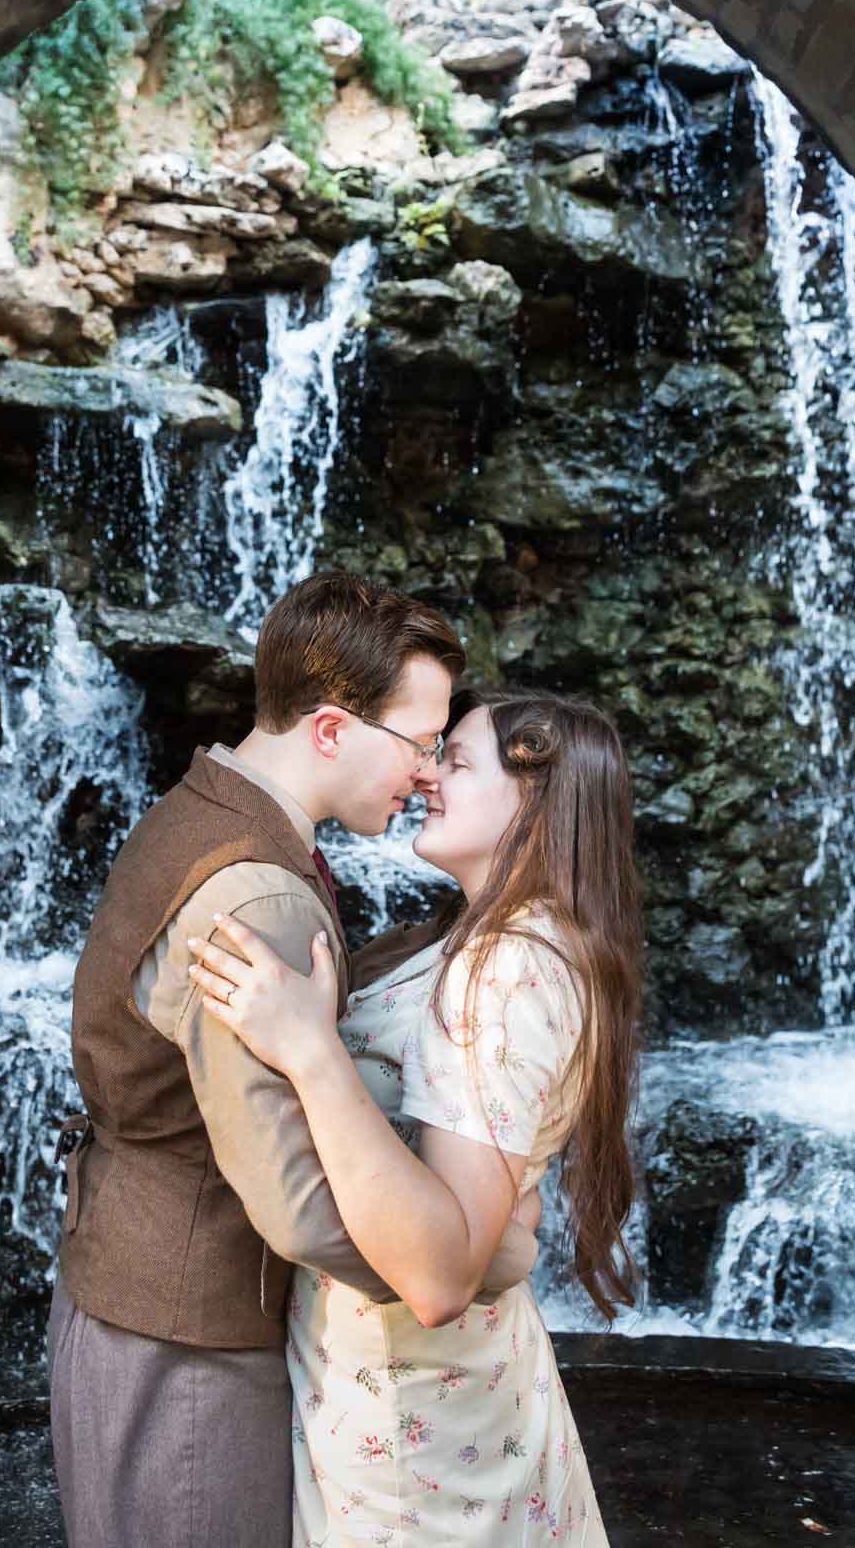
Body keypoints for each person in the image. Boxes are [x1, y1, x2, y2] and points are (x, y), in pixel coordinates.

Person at [48, 573, 542, 1548]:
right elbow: (302, 1205)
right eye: (417, 738)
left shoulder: (201, 806)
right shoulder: (256, 895)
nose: (429, 768)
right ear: (328, 729)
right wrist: (474, 1251)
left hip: (132, 1298)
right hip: (189, 1350)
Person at [188, 687, 644, 1545]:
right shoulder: (487, 941)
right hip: (423, 1403)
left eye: (457, 761)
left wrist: (310, 1049)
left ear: (537, 803)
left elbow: (437, 1276)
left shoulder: (507, 970)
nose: (427, 773)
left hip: (420, 1439)